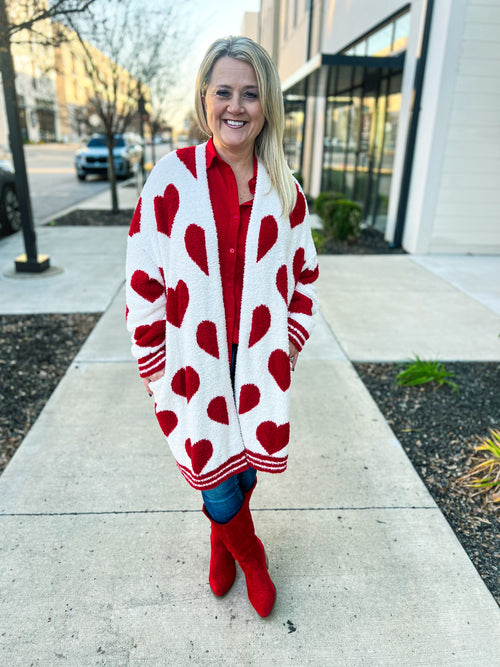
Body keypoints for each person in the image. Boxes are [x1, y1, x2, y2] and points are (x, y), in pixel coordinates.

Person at [125, 36, 319, 618]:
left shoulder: (285, 191)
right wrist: (155, 362)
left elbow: (305, 279)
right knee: (213, 468)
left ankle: (220, 538)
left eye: (251, 94)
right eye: (224, 92)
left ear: (267, 107)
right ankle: (250, 552)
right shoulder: (170, 179)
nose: (237, 106)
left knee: (247, 459)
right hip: (195, 358)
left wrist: (284, 347)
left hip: (256, 358)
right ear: (204, 98)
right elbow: (143, 282)